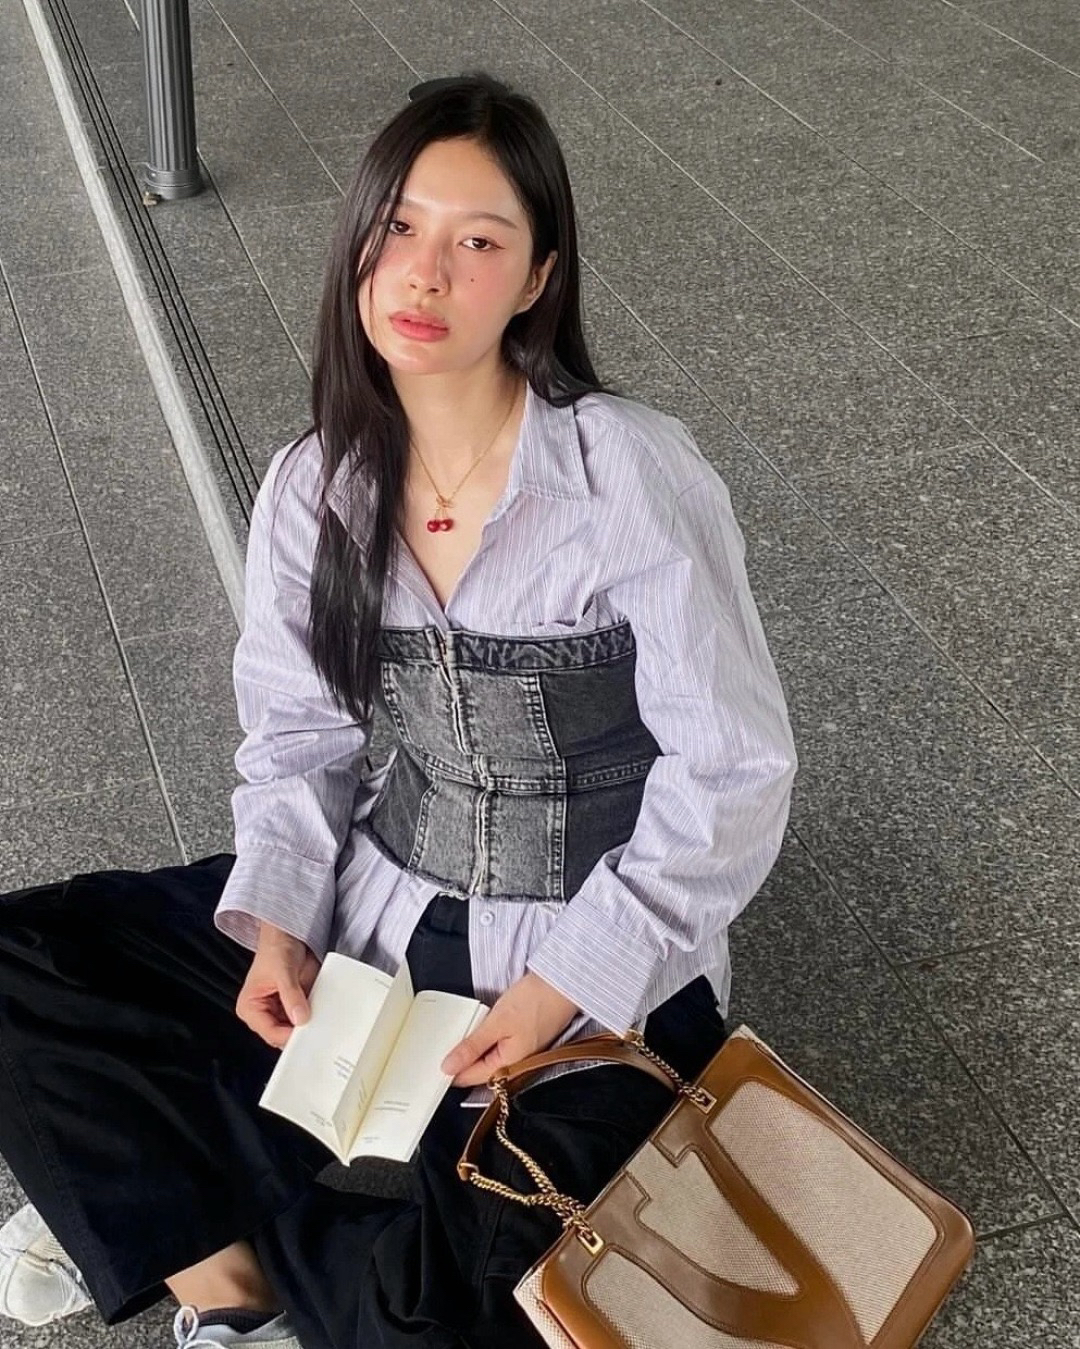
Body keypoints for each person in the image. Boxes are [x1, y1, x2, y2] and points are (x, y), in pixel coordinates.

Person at [0, 72, 796, 1349]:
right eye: (400, 228)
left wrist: (564, 984)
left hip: (594, 973)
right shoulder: (313, 481)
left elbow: (734, 769)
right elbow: (300, 734)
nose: (425, 273)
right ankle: (229, 1291)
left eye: (478, 242)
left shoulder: (630, 474)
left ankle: (188, 1193)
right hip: (375, 909)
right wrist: (280, 923)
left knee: (460, 1309)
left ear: (537, 279)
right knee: (29, 959)